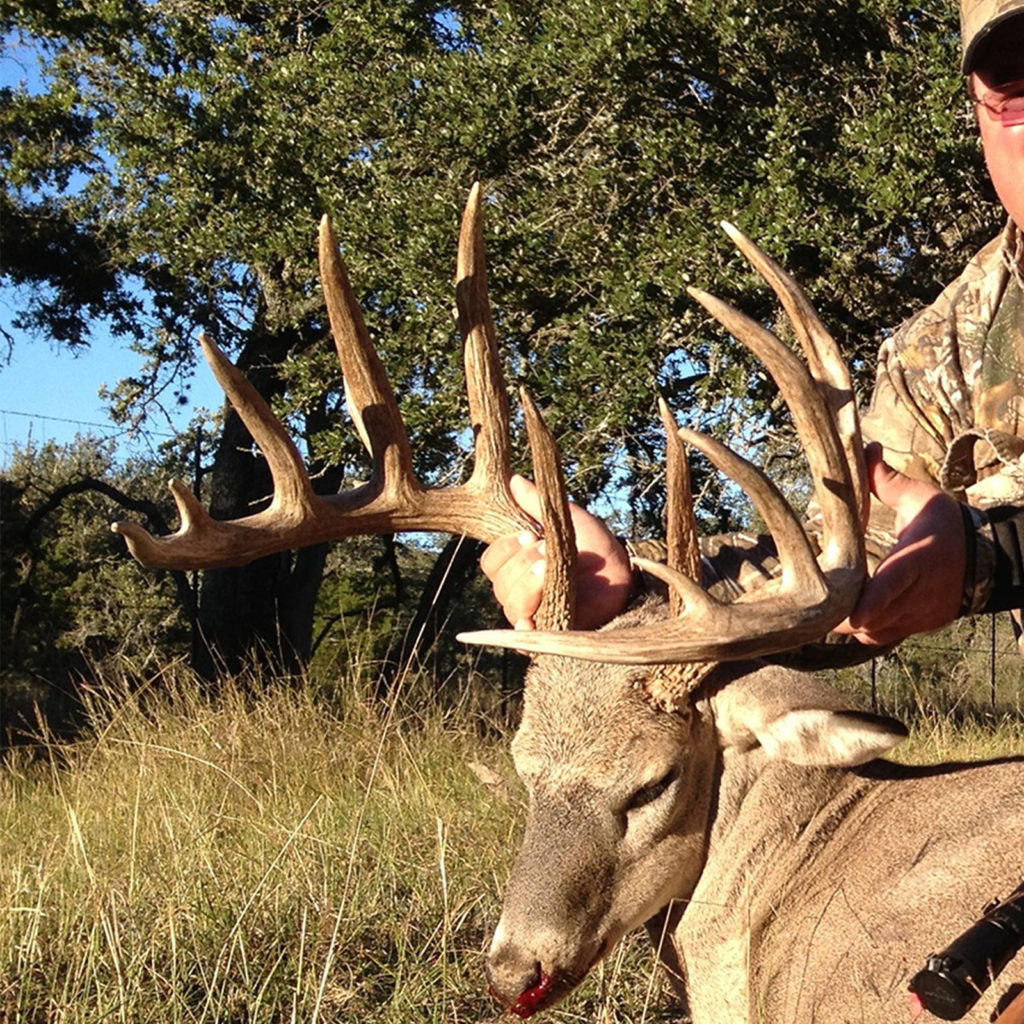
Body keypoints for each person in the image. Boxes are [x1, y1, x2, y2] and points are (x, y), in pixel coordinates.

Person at [481, 0, 1024, 650]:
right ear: (978, 116)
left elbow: (970, 550)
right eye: (1017, 94)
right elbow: (860, 557)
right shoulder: (947, 346)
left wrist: (996, 552)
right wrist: (633, 593)